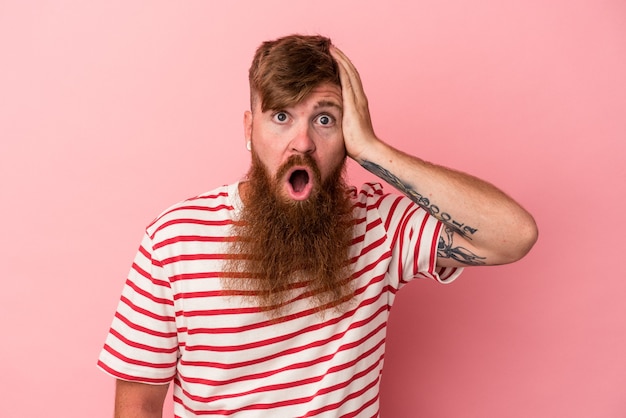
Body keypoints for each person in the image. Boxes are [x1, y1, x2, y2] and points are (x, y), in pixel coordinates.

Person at [98, 34, 538, 417]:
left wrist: (372, 150)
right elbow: (138, 404)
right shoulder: (173, 240)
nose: (303, 142)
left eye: (325, 119)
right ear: (249, 130)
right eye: (281, 117)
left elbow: (513, 235)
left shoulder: (379, 226)